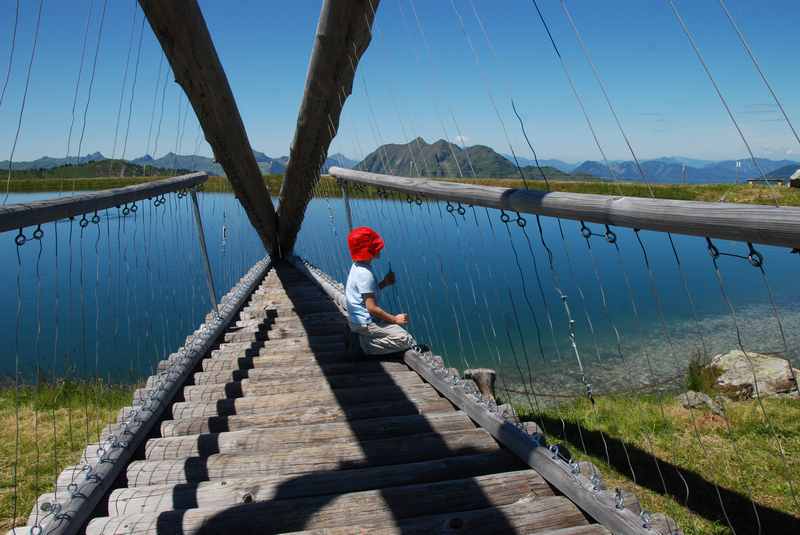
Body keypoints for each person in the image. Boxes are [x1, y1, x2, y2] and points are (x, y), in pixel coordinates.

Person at [345, 226, 417, 356]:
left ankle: (362, 339)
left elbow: (366, 293)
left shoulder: (357, 266)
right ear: (369, 250)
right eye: (376, 246)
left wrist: (385, 283)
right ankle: (363, 346)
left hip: (357, 321)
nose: (379, 248)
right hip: (364, 323)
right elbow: (371, 308)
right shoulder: (365, 273)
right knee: (406, 339)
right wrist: (395, 319)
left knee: (398, 331)